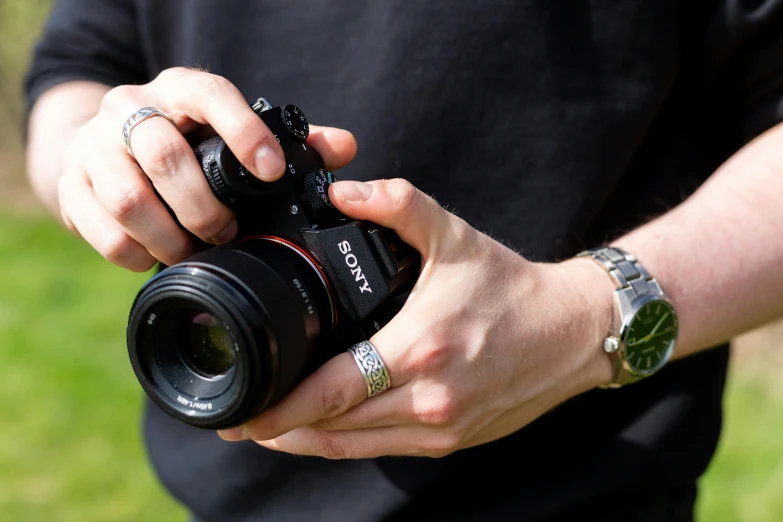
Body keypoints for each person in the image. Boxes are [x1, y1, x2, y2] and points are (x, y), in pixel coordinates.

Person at [23, 1, 783, 521]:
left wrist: (588, 315)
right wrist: (106, 162)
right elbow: (78, 64)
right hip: (221, 494)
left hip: (578, 494)